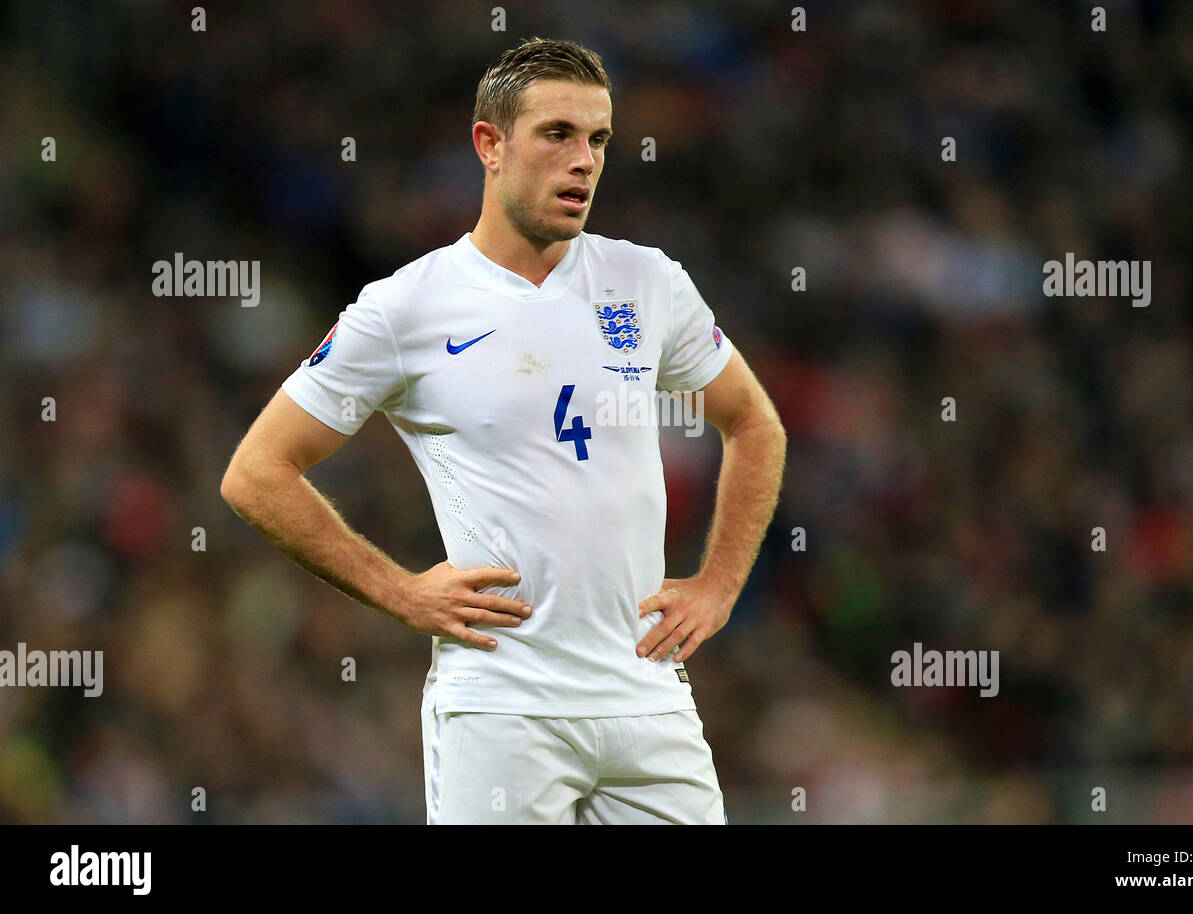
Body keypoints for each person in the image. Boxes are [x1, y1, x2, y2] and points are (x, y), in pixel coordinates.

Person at [220, 36, 786, 824]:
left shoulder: (647, 281)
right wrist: (398, 590)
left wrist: (721, 584)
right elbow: (256, 471)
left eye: (598, 140)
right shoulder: (408, 306)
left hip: (646, 694)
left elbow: (753, 420)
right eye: (558, 134)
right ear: (490, 144)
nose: (584, 160)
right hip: (503, 703)